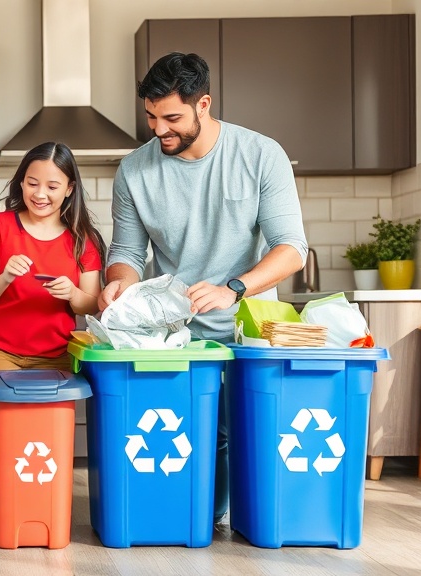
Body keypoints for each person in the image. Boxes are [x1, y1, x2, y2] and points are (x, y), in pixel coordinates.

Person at [100, 52, 308, 524]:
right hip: (175, 334)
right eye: (151, 117)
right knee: (196, 469)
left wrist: (233, 288)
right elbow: (128, 255)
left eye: (171, 117)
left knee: (249, 442)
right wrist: (118, 285)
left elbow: (292, 248)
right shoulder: (134, 171)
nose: (158, 130)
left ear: (204, 104)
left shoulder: (260, 155)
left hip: (245, 329)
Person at [0, 141, 104, 533]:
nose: (40, 194)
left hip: (56, 355)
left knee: (44, 439)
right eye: (31, 183)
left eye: (51, 185)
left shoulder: (83, 239)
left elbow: (91, 304)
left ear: (69, 188)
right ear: (21, 182)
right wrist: (6, 276)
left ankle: (42, 504)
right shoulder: (0, 226)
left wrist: (72, 294)